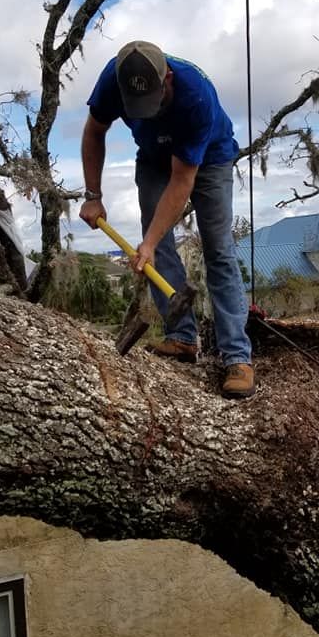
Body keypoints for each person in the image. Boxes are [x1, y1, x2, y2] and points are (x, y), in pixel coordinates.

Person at [79, 40, 254, 399]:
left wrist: (149, 242)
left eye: (154, 102)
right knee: (157, 245)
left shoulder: (196, 96)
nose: (146, 112)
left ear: (168, 79)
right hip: (154, 156)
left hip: (209, 157)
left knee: (218, 248)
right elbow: (94, 132)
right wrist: (93, 196)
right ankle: (182, 338)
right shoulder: (111, 80)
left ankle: (237, 356)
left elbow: (182, 179)